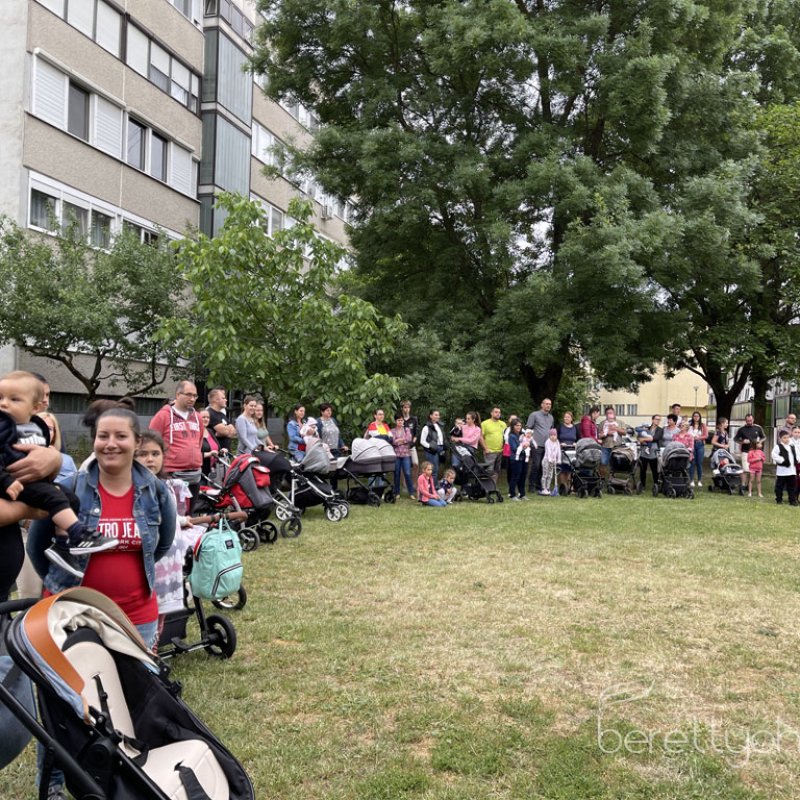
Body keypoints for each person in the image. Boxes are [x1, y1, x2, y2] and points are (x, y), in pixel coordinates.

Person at [28, 407, 177, 648]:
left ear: (137, 442)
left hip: (137, 616)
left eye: (121, 436)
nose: (110, 444)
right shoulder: (67, 489)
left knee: (136, 674)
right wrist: (58, 583)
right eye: (103, 436)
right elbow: (36, 547)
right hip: (72, 613)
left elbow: (162, 545)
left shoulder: (156, 491)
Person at [0, 371, 116, 580]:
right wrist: (8, 482)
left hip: (30, 490)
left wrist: (53, 460)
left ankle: (63, 544)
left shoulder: (35, 425)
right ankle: (77, 532)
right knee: (54, 497)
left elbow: (47, 455)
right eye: (1, 398)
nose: (4, 404)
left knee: (70, 498)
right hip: (15, 484)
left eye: (14, 399)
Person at [149, 381, 205, 502]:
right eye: (188, 395)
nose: (192, 399)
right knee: (172, 511)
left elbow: (199, 442)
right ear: (178, 395)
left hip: (194, 476)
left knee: (190, 512)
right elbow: (151, 443)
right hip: (171, 475)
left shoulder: (198, 418)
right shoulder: (163, 416)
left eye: (195, 396)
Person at [525, 398, 554, 494]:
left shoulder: (551, 417)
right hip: (536, 445)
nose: (548, 405)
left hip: (547, 446)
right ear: (542, 405)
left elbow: (551, 431)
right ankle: (531, 486)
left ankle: (540, 486)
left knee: (544, 466)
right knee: (536, 465)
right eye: (546, 404)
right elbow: (528, 429)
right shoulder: (534, 415)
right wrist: (529, 442)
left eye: (550, 404)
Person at [734, 414, 765, 494]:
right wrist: (742, 441)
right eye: (747, 421)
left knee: (751, 470)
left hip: (755, 452)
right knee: (746, 469)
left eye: (750, 420)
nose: (749, 422)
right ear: (745, 420)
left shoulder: (758, 428)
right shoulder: (741, 429)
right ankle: (743, 486)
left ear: (753, 419)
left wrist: (759, 441)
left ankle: (748, 486)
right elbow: (735, 439)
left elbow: (764, 437)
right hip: (745, 451)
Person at [598, 406, 625, 481]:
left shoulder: (620, 422)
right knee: (603, 463)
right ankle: (602, 479)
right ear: (606, 415)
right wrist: (607, 433)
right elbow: (599, 435)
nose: (610, 414)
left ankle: (613, 479)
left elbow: (624, 432)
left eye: (611, 413)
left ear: (614, 413)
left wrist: (616, 429)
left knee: (614, 464)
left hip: (616, 447)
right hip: (605, 446)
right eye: (608, 413)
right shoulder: (602, 423)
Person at [205, 387, 236, 453]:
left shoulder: (222, 414)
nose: (226, 400)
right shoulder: (210, 413)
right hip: (216, 454)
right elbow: (225, 431)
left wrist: (221, 432)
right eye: (223, 398)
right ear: (216, 400)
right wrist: (226, 430)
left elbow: (233, 432)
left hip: (226, 453)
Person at [771, 428, 798, 505]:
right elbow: (774, 455)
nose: (786, 439)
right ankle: (779, 499)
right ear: (780, 439)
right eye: (784, 438)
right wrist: (781, 460)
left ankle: (792, 500)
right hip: (782, 471)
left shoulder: (792, 446)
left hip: (792, 470)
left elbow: (796, 454)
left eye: (788, 437)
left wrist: (797, 460)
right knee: (780, 486)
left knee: (791, 486)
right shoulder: (778, 447)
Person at [391, 413, 415, 498]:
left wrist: (399, 440)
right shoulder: (392, 431)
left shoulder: (407, 429)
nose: (400, 422)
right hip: (396, 455)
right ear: (395, 421)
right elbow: (393, 441)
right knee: (396, 473)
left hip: (406, 455)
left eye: (402, 420)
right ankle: (397, 492)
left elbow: (409, 439)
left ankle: (411, 493)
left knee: (407, 473)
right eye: (399, 420)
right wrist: (403, 441)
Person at [481, 406, 507, 482]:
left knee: (497, 470)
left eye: (499, 412)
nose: (498, 414)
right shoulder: (485, 423)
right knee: (489, 470)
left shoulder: (503, 424)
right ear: (491, 413)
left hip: (500, 451)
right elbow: (480, 437)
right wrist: (485, 448)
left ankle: (493, 486)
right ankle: (486, 486)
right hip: (490, 451)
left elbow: (506, 437)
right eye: (496, 412)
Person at [636, 415, 663, 490]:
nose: (658, 421)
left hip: (653, 452)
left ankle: (656, 486)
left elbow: (656, 438)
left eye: (659, 420)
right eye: (656, 419)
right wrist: (641, 439)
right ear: (652, 420)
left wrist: (643, 439)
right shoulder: (646, 427)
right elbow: (639, 436)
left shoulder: (660, 430)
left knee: (654, 470)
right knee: (642, 469)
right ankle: (642, 486)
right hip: (644, 451)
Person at [556, 411, 578, 495]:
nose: (566, 418)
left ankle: (569, 487)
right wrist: (560, 443)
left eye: (568, 417)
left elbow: (578, 438)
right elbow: (555, 437)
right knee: (562, 469)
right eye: (565, 417)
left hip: (572, 451)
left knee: (570, 469)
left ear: (571, 418)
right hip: (562, 450)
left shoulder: (575, 428)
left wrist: (576, 443)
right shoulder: (560, 427)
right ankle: (563, 486)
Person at [419, 409, 445, 477]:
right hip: (431, 451)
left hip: (440, 449)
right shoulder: (426, 427)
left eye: (438, 415)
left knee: (437, 469)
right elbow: (422, 441)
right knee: (433, 470)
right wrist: (430, 446)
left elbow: (441, 438)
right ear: (431, 416)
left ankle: (433, 483)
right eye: (435, 415)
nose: (438, 416)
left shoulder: (440, 426)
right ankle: (431, 484)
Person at [506, 420, 528, 500]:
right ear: (513, 426)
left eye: (520, 425)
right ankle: (512, 494)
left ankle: (522, 494)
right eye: (516, 425)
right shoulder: (511, 436)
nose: (519, 427)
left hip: (524, 458)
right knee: (515, 477)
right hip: (515, 459)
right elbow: (514, 449)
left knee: (523, 476)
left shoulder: (523, 435)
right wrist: (524, 446)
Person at [399, 400, 420, 480]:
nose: (406, 409)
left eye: (408, 407)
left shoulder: (414, 419)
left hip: (411, 446)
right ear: (402, 408)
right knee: (403, 466)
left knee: (416, 463)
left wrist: (414, 439)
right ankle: (404, 484)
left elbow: (416, 431)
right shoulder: (399, 419)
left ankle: (415, 483)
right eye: (405, 407)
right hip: (402, 446)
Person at [687, 411, 708, 487]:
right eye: (694, 416)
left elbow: (706, 435)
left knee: (699, 463)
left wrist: (699, 437)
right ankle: (691, 480)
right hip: (691, 445)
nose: (696, 417)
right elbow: (686, 434)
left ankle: (699, 480)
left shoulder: (702, 425)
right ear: (692, 417)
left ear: (700, 417)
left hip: (699, 444)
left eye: (697, 416)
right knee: (692, 462)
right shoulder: (689, 425)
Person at [199, 408, 221, 479]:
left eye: (208, 417)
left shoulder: (210, 431)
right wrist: (209, 454)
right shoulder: (195, 433)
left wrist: (221, 451)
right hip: (201, 473)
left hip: (213, 472)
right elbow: (192, 455)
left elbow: (216, 448)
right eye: (203, 417)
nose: (206, 419)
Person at [540, 428, 561, 496]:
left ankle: (548, 488)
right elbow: (548, 451)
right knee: (545, 475)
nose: (553, 436)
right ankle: (543, 488)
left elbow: (558, 451)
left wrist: (558, 459)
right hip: (546, 460)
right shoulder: (547, 442)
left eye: (554, 435)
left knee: (550, 475)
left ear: (556, 435)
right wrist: (549, 459)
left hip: (553, 461)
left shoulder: (557, 442)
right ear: (549, 436)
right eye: (551, 435)